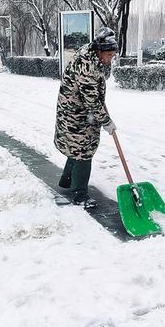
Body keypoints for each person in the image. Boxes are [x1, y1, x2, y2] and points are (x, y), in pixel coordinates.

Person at [54, 27, 118, 209]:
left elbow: (92, 94)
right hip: (76, 114)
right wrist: (106, 122)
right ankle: (80, 195)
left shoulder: (91, 53)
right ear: (100, 50)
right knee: (83, 151)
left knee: (76, 146)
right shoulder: (88, 66)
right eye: (109, 55)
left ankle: (67, 180)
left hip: (75, 110)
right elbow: (91, 101)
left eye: (113, 55)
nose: (110, 59)